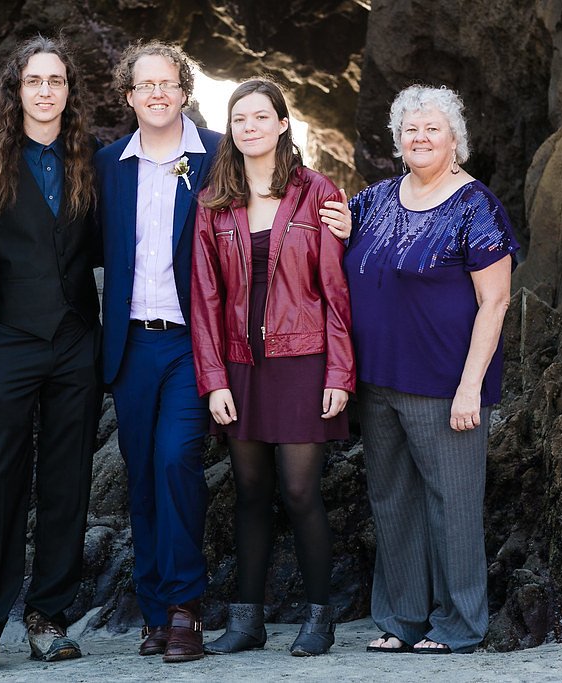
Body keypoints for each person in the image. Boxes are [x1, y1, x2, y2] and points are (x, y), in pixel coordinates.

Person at [328, 84, 517, 654]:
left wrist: (470, 388)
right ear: (398, 141)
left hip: (444, 383)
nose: (421, 136)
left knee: (453, 504)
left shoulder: (475, 206)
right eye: (411, 129)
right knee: (392, 500)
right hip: (378, 380)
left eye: (433, 128)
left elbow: (496, 302)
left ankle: (459, 624)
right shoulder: (376, 199)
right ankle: (402, 619)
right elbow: (331, 234)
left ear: (455, 139)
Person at [0, 36, 102, 675]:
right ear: (16, 91)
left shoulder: (91, 161)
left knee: (68, 481)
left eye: (57, 81)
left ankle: (48, 616)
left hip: (76, 342)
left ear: (70, 92)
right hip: (9, 341)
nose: (46, 91)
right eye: (34, 81)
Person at [190, 78, 355, 657]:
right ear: (230, 131)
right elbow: (204, 297)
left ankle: (319, 617)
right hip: (239, 364)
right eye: (240, 120)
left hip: (305, 360)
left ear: (284, 124)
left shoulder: (317, 193)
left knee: (301, 490)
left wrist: (339, 373)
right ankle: (247, 618)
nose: (250, 127)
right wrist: (213, 381)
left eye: (262, 117)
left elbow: (335, 291)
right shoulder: (216, 199)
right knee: (250, 490)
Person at [94, 41, 222, 663]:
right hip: (129, 345)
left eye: (167, 83)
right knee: (142, 480)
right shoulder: (107, 164)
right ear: (129, 96)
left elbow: (285, 191)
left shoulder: (217, 154)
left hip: (192, 343)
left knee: (176, 461)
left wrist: (342, 217)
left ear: (184, 90)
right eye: (144, 86)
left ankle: (184, 608)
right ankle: (153, 613)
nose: (156, 94)